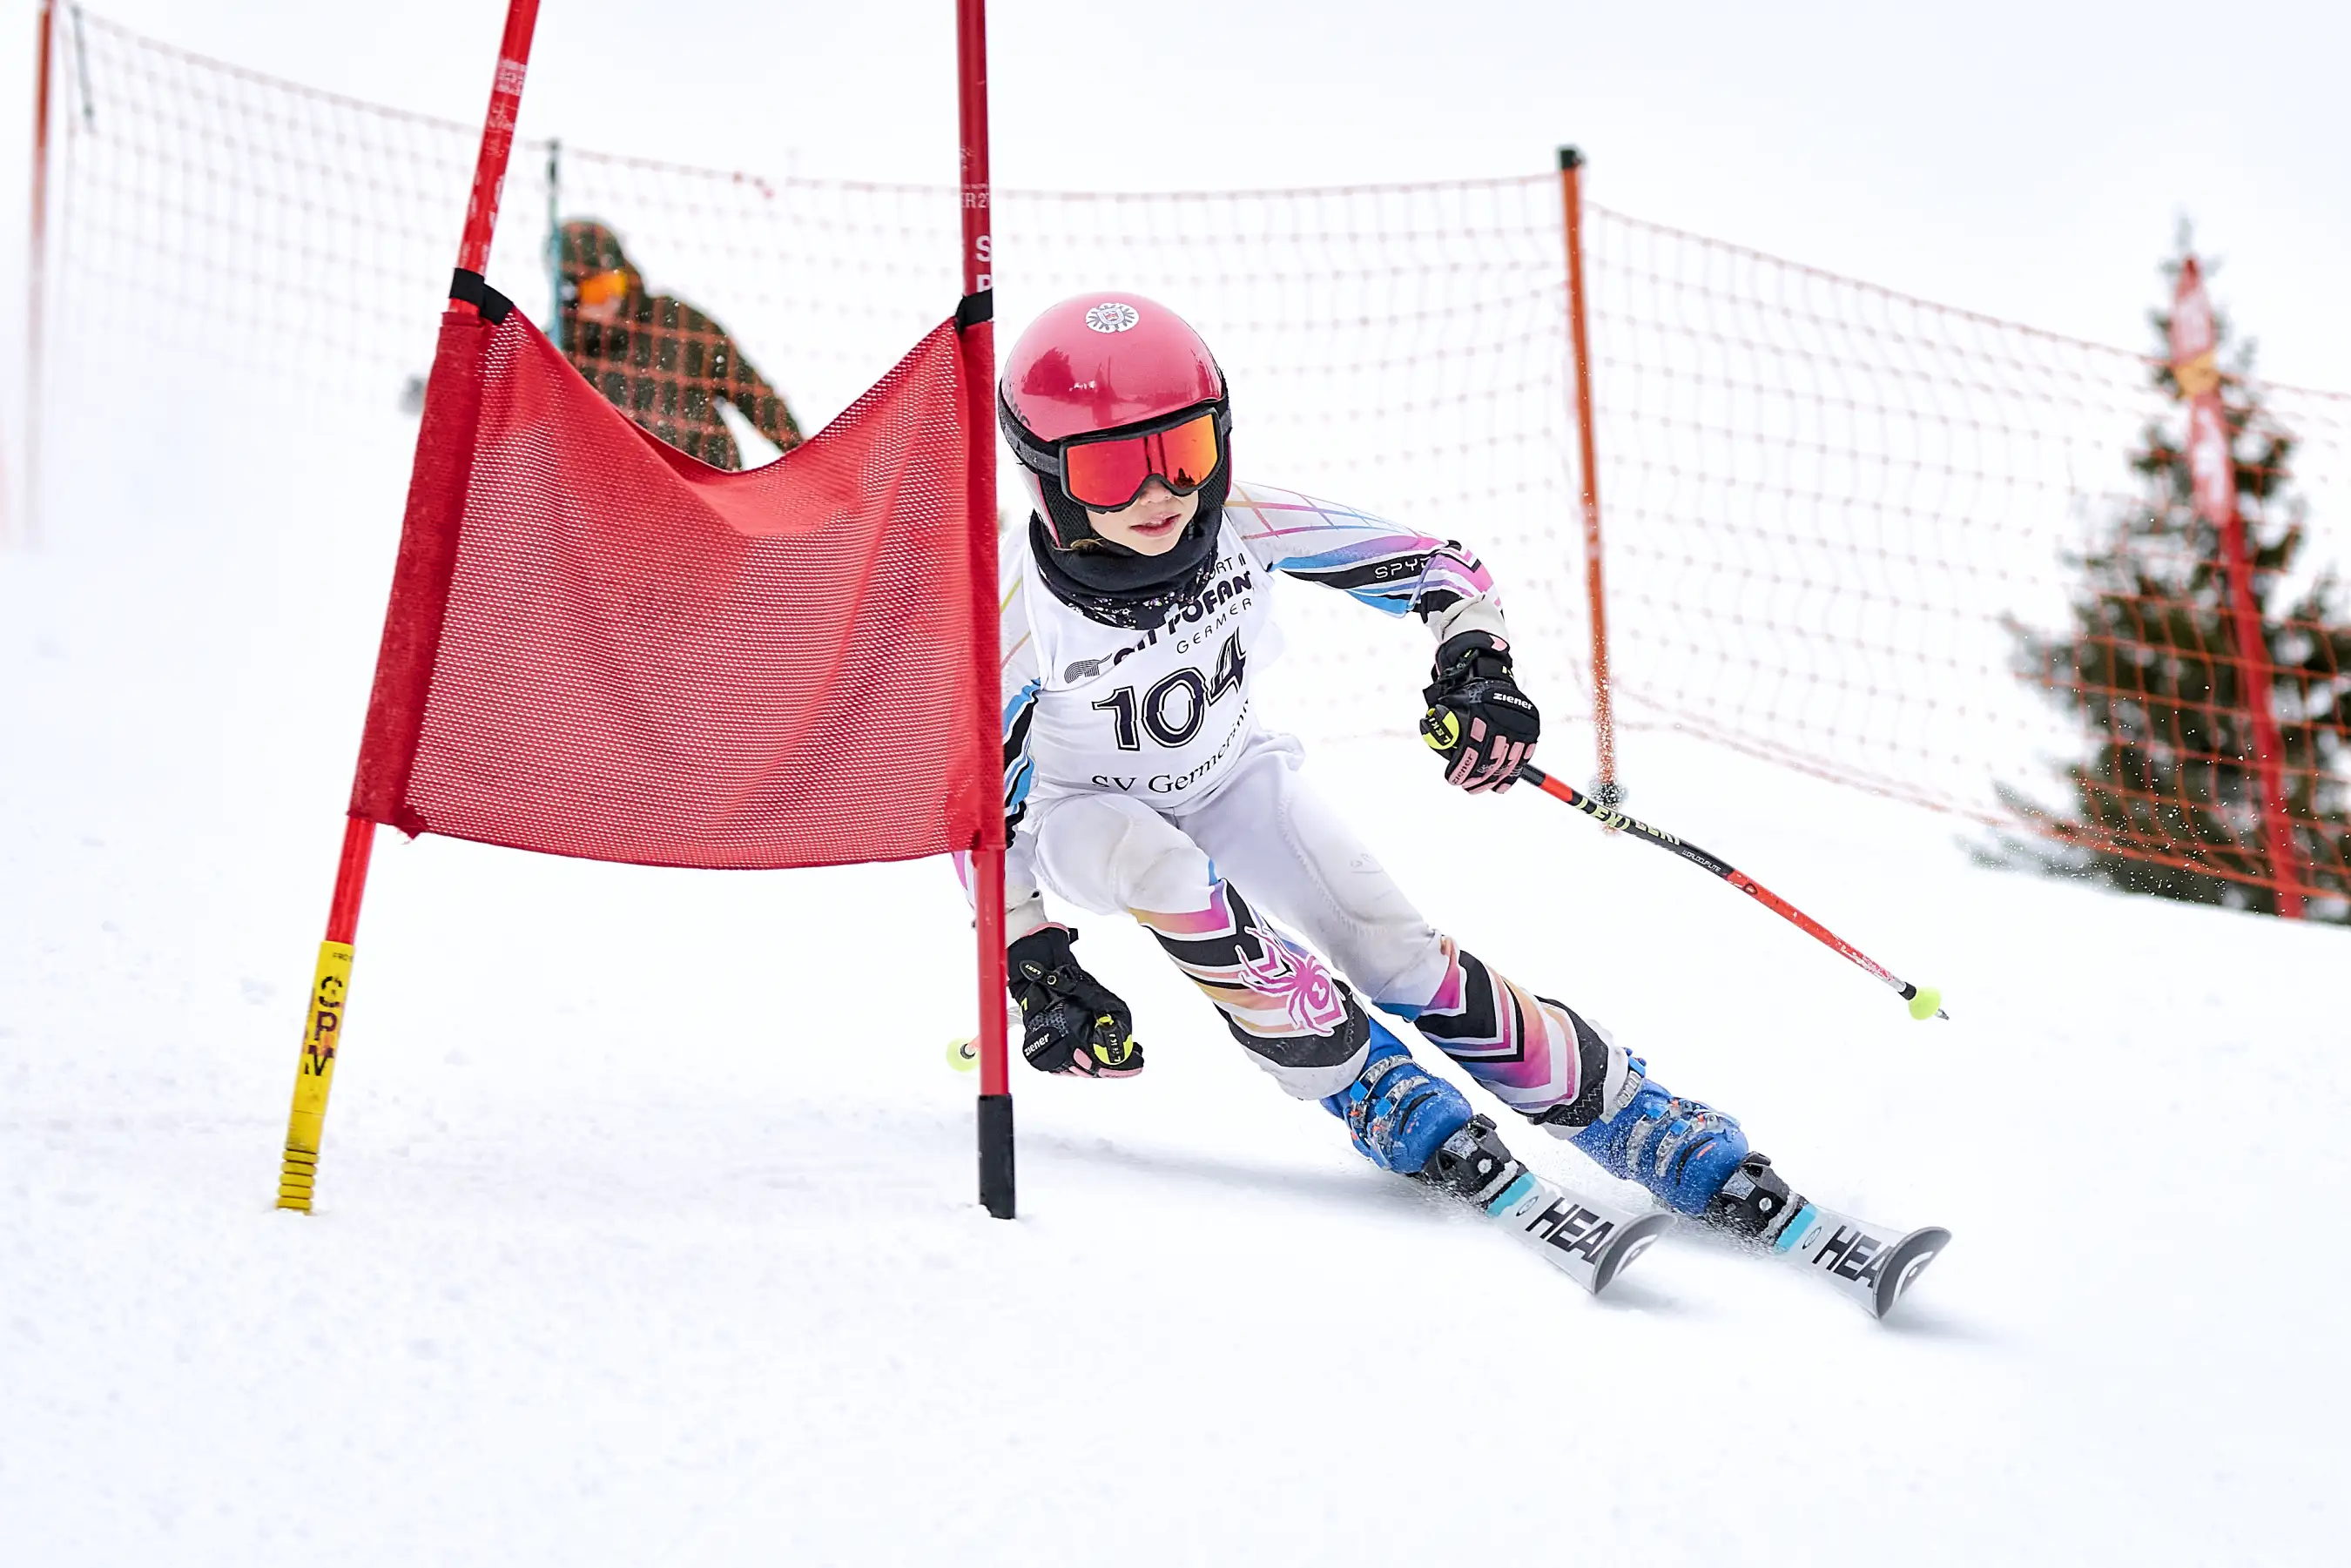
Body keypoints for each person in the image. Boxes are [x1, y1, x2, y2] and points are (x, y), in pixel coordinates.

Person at [990, 291, 1816, 1247]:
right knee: (1169, 873)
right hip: (1080, 814)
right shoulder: (1019, 617)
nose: (1157, 495)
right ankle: (1363, 1079)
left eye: (1186, 454)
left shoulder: (1247, 524)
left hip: (1227, 774)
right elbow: (979, 815)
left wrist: (1477, 669)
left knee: (1393, 946)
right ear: (1046, 475)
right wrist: (1035, 958)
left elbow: (1444, 571)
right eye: (1111, 468)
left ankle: (1632, 1113)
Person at [556, 219, 804, 471]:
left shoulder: (674, 321)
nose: (611, 298)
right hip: (627, 498)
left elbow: (750, 391)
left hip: (708, 481)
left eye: (613, 283)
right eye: (596, 291)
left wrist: (804, 458)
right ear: (570, 297)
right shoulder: (559, 358)